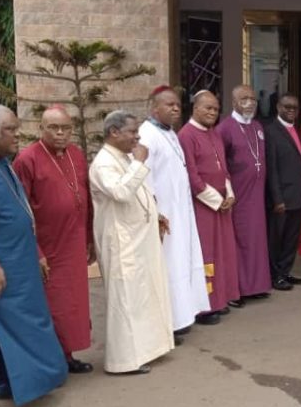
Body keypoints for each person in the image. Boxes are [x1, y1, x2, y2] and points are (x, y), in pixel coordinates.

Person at [0, 105, 67, 407]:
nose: (17, 135)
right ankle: (8, 386)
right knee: (8, 329)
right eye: (10, 129)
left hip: (22, 258)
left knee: (31, 322)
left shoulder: (1, 161)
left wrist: (37, 251)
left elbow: (21, 210)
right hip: (1, 265)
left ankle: (32, 381)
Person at [90, 111, 175, 373]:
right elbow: (121, 192)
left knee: (143, 295)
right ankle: (123, 361)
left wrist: (154, 213)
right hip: (121, 241)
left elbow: (138, 191)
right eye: (132, 132)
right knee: (125, 300)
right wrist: (139, 163)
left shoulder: (124, 157)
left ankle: (146, 350)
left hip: (138, 236)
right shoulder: (103, 162)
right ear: (114, 132)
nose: (137, 137)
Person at [13, 106, 94, 373]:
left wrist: (89, 238)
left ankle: (68, 356)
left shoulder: (76, 155)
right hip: (48, 245)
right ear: (41, 128)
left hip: (74, 241)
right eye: (53, 128)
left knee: (73, 303)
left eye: (66, 128)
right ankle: (53, 359)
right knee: (53, 305)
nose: (60, 133)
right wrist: (36, 252)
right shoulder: (27, 159)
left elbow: (87, 198)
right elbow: (20, 210)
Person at [138, 86, 209, 337]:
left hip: (181, 211)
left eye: (177, 104)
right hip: (164, 215)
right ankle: (166, 323)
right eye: (169, 105)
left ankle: (182, 316)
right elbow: (142, 176)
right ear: (154, 108)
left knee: (182, 262)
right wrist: (155, 212)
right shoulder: (146, 135)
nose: (176, 108)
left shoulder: (170, 133)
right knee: (168, 266)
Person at [179, 91, 240, 322]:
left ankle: (221, 299)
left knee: (223, 253)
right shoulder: (186, 135)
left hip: (222, 205)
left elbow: (223, 168)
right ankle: (205, 306)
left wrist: (230, 194)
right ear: (195, 108)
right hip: (203, 206)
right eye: (208, 108)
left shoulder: (215, 133)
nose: (212, 113)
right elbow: (192, 175)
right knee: (207, 255)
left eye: (215, 109)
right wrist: (216, 200)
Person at [217, 85, 272, 302]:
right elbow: (220, 164)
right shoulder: (225, 128)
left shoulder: (258, 126)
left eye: (252, 98)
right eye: (244, 98)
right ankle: (237, 289)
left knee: (258, 240)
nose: (249, 102)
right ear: (234, 102)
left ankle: (257, 285)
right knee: (240, 241)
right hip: (239, 196)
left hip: (257, 195)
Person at [263, 94, 301, 291]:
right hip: (281, 198)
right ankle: (274, 276)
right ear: (278, 107)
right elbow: (271, 168)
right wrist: (277, 198)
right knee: (277, 239)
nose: (291, 110)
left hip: (297, 195)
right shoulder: (271, 131)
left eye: (295, 107)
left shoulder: (296, 129)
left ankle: (285, 272)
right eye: (287, 106)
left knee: (291, 239)